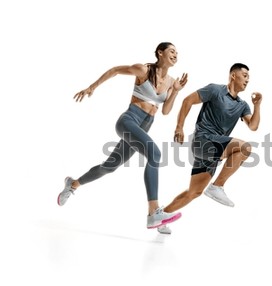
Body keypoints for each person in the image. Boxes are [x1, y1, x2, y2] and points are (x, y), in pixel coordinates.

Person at [57, 42, 187, 233]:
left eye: (177, 52)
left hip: (144, 126)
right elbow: (116, 70)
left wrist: (175, 90)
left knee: (109, 166)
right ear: (160, 53)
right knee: (155, 154)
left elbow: (166, 111)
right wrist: (92, 87)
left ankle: (72, 184)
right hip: (128, 122)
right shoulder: (143, 69)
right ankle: (154, 213)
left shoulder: (171, 81)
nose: (176, 54)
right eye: (172, 51)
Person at [163, 63, 262, 217]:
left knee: (194, 192)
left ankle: (161, 215)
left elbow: (253, 126)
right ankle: (217, 186)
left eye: (249, 76)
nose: (247, 79)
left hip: (213, 151)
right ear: (233, 75)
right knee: (245, 148)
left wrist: (257, 106)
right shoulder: (215, 90)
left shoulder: (242, 105)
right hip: (202, 141)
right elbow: (187, 101)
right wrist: (179, 127)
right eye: (245, 75)